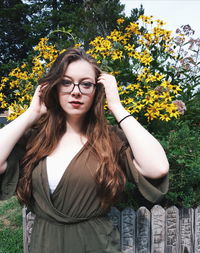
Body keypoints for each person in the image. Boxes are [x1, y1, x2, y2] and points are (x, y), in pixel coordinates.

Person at [0, 48, 169, 253]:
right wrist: (32, 113)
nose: (76, 91)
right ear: (53, 87)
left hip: (96, 244)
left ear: (97, 91)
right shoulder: (34, 138)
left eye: (86, 84)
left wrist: (117, 107)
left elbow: (157, 168)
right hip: (44, 244)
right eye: (66, 82)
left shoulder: (110, 138)